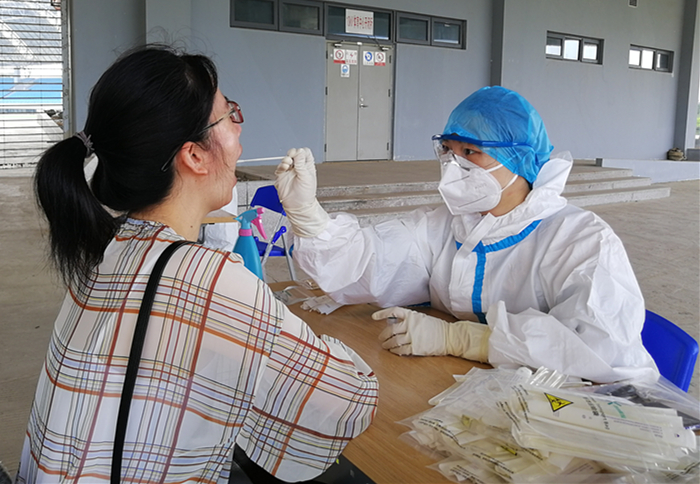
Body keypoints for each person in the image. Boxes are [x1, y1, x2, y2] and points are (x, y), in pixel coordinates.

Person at [19, 45, 377, 484]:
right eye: (229, 115)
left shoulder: (109, 249)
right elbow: (348, 401)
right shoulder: (208, 279)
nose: (240, 131)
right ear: (193, 156)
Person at [274, 86, 659, 385]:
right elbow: (370, 262)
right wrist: (309, 217)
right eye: (448, 149)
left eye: (471, 152)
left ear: (519, 159)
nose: (453, 165)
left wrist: (467, 340)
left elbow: (599, 349)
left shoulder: (581, 240)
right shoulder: (448, 224)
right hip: (464, 388)